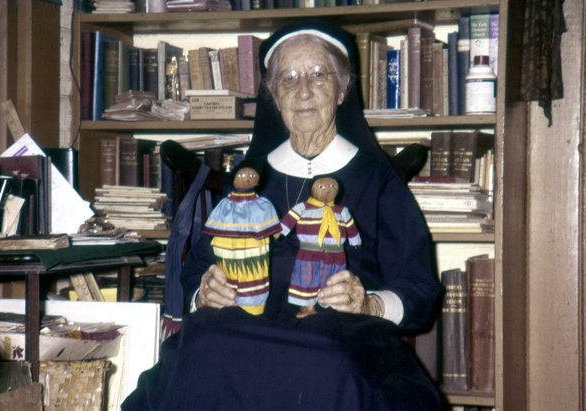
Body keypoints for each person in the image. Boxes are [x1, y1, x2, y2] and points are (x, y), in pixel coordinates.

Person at [122, 19, 441, 410]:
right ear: (273, 95)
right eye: (288, 78)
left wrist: (370, 304)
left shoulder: (377, 178)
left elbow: (418, 284)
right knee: (203, 345)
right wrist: (204, 293)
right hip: (243, 323)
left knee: (328, 362)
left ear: (342, 89)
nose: (303, 90)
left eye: (319, 75)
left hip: (340, 329)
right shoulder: (248, 179)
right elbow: (196, 273)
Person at [202, 160, 281, 315]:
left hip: (255, 254)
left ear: (258, 180)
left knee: (254, 272)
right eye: (243, 174)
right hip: (229, 258)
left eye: (252, 175)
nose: (247, 178)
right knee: (229, 276)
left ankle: (255, 306)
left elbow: (274, 228)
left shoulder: (262, 204)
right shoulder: (225, 205)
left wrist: (276, 232)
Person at [280, 177, 362, 318]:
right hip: (309, 252)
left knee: (332, 280)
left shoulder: (342, 211)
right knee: (307, 279)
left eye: (332, 186)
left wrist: (356, 241)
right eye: (322, 187)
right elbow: (289, 219)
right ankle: (307, 306)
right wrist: (279, 231)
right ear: (312, 189)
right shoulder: (303, 207)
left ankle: (330, 305)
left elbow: (350, 226)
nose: (328, 189)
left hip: (336, 254)